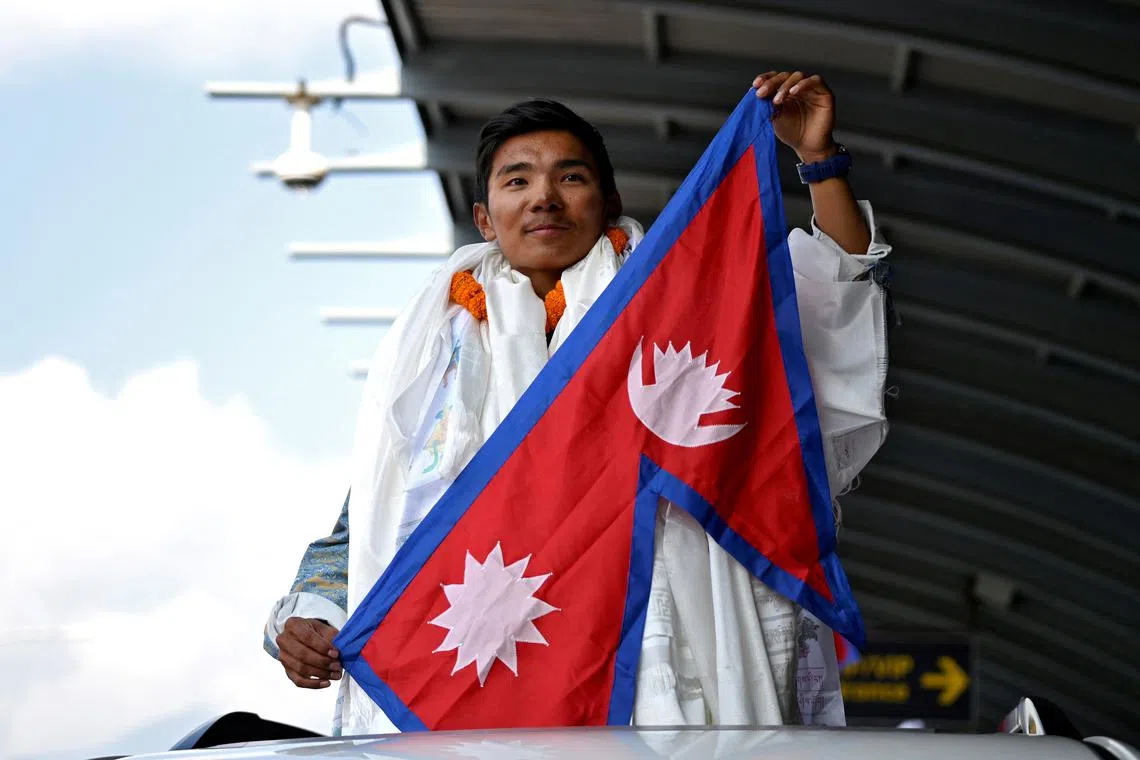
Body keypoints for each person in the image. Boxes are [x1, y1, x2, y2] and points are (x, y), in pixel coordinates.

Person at [264, 70, 892, 734]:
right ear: (484, 218)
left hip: (670, 668)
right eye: (517, 181)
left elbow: (823, 320)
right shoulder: (433, 356)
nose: (544, 198)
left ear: (607, 200)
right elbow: (374, 520)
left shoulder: (680, 309)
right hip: (502, 677)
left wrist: (819, 162)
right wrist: (312, 612)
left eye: (570, 177)